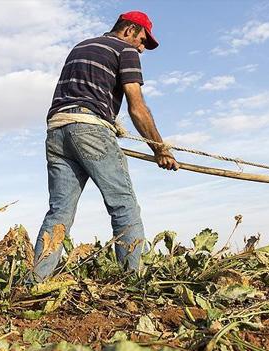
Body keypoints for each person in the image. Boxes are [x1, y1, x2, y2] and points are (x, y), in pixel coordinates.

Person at [31, 11, 179, 282]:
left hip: (57, 130)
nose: (142, 48)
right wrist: (160, 149)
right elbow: (137, 106)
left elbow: (84, 93)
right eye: (143, 40)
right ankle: (133, 282)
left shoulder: (82, 46)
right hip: (90, 128)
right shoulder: (125, 50)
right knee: (124, 206)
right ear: (130, 30)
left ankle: (34, 283)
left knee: (59, 212)